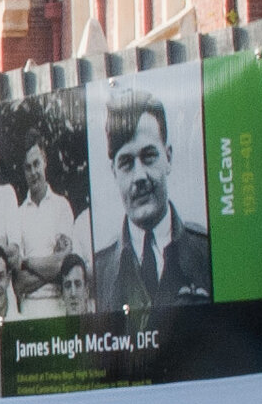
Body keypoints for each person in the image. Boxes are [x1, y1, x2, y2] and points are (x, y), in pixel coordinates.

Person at [86, 88, 213, 313]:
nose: (139, 176)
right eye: (126, 162)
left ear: (168, 157)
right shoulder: (99, 271)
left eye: (149, 156)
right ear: (114, 172)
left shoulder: (207, 251)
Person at [0, 131, 83, 315]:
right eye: (27, 167)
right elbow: (19, 282)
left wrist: (27, 262)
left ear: (45, 161)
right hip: (29, 308)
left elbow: (63, 265)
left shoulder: (61, 206)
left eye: (36, 164)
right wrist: (51, 265)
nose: (33, 172)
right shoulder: (19, 213)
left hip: (58, 305)